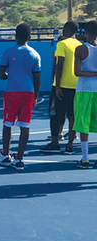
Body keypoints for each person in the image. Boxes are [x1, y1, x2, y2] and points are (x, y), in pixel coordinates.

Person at [0, 23, 41, 170]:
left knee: (8, 123)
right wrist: (35, 97)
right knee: (24, 125)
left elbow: (0, 74)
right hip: (28, 92)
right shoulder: (35, 54)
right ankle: (19, 158)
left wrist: (9, 75)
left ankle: (5, 154)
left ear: (15, 35)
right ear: (30, 37)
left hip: (12, 92)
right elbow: (37, 78)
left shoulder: (8, 52)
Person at [42, 21, 81, 154]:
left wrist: (57, 86)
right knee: (72, 116)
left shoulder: (62, 44)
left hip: (62, 86)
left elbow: (60, 66)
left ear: (67, 29)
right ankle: (70, 144)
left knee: (55, 115)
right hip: (76, 86)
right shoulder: (80, 45)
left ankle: (55, 142)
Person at [73, 20, 97, 168]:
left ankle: (85, 158)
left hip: (84, 90)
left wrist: (92, 73)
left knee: (83, 123)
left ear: (85, 32)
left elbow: (77, 72)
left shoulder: (81, 49)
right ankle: (85, 157)